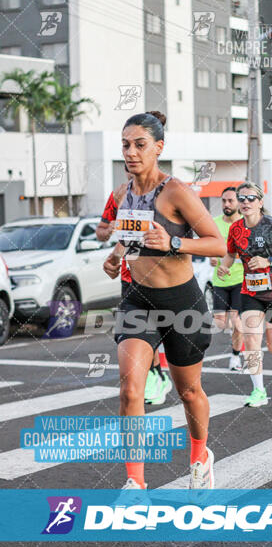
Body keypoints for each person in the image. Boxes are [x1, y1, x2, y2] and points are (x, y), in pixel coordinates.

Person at [103, 111, 226, 491]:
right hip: (137, 301)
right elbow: (132, 234)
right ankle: (135, 484)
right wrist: (116, 254)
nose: (131, 152)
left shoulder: (177, 192)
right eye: (126, 144)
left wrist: (174, 242)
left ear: (158, 147)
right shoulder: (122, 192)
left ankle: (200, 456)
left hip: (181, 305)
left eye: (140, 145)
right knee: (129, 389)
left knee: (188, 392)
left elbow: (218, 244)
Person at [218, 181, 272, 408]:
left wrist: (269, 261)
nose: (245, 202)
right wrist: (225, 266)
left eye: (250, 198)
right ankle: (258, 390)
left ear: (260, 202)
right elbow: (230, 254)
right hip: (250, 292)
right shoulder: (235, 229)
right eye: (241, 198)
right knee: (251, 339)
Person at [96, 167, 172, 405]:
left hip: (159, 275)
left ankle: (159, 376)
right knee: (136, 333)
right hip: (130, 277)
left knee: (159, 330)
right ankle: (156, 377)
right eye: (128, 172)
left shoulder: (165, 194)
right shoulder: (118, 195)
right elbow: (103, 230)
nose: (132, 176)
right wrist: (108, 231)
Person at [210, 186, 244, 371]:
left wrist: (227, 258)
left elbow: (246, 254)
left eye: (231, 200)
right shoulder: (214, 223)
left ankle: (235, 357)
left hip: (240, 280)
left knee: (237, 323)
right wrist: (212, 258)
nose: (227, 204)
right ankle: (238, 332)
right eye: (224, 200)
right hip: (219, 282)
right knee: (220, 323)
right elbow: (210, 247)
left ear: (238, 202)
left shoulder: (244, 224)